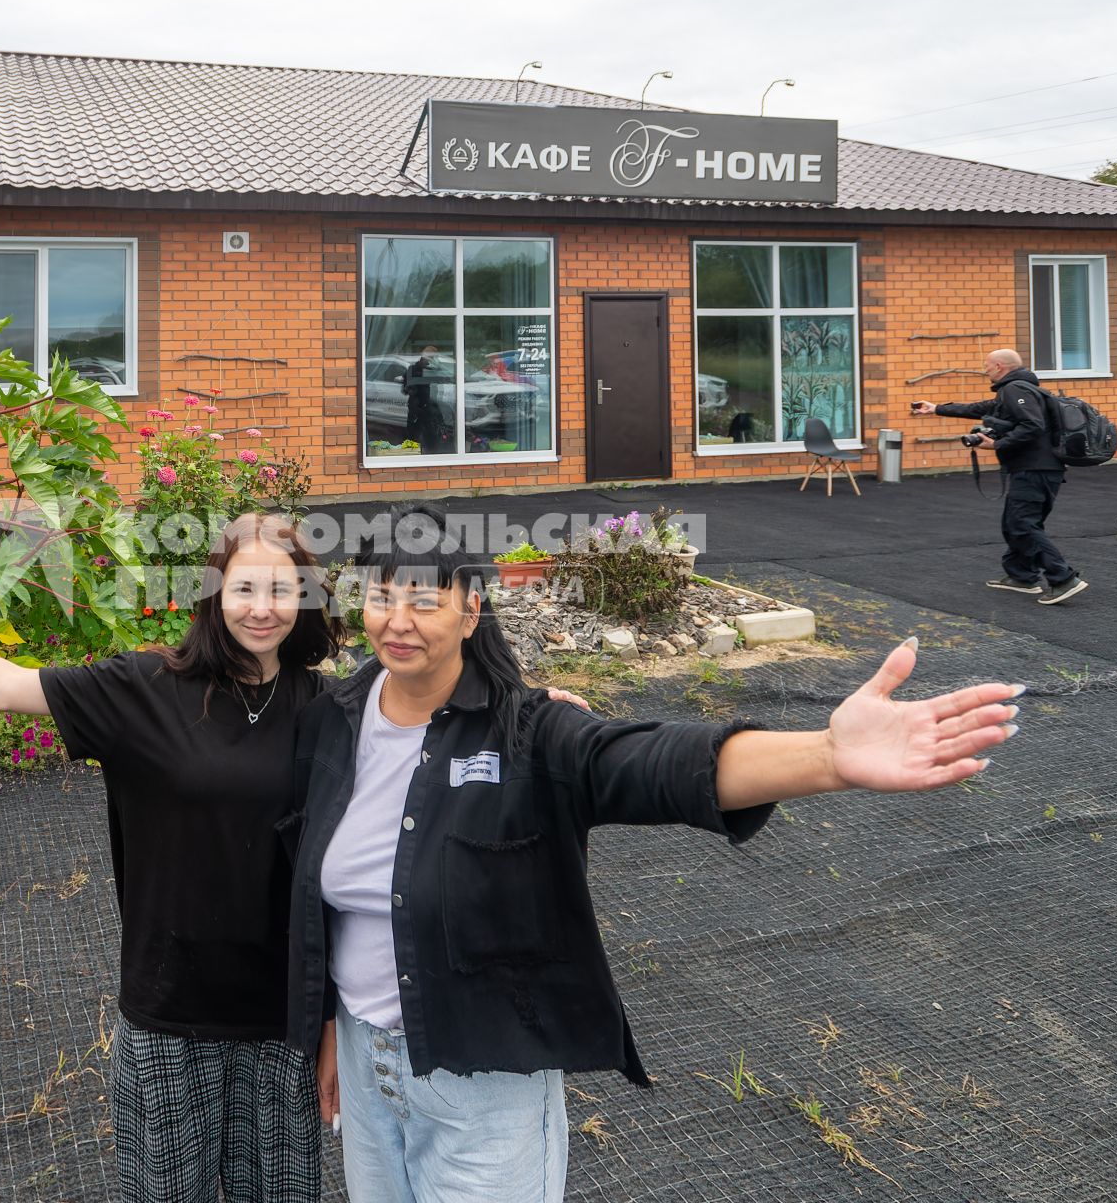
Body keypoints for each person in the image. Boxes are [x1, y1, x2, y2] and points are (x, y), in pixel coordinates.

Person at [286, 504, 1026, 1202]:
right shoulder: (334, 723)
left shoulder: (530, 734)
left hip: (483, 1079)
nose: (399, 620)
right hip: (362, 1056)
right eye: (383, 596)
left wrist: (827, 756)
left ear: (471, 609)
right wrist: (330, 1026)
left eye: (425, 599)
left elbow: (646, 763)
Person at [0, 513, 341, 1203]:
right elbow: (7, 688)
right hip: (171, 1013)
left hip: (282, 1021)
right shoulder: (144, 689)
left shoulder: (328, 706)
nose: (262, 608)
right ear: (212, 592)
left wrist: (328, 1023)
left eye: (281, 588)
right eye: (244, 588)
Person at [912, 348, 1088, 605]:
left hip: (1034, 469)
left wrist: (996, 445)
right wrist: (937, 408)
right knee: (1016, 523)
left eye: (987, 365)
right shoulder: (1020, 389)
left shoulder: (1015, 390)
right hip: (1040, 469)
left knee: (1023, 524)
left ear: (998, 366)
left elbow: (1033, 425)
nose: (984, 370)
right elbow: (983, 408)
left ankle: (1063, 579)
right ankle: (1022, 576)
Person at [402, 345, 447, 453]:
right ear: (423, 357)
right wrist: (411, 390)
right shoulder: (413, 369)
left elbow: (440, 383)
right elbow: (405, 388)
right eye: (430, 358)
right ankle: (411, 455)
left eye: (433, 358)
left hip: (429, 406)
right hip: (416, 407)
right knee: (413, 434)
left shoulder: (434, 370)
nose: (430, 361)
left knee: (431, 434)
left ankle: (432, 455)